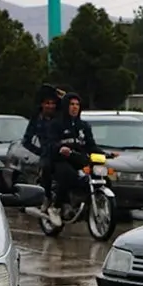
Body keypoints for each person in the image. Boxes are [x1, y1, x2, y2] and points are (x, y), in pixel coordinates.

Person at [46, 92, 106, 227]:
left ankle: (90, 203)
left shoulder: (84, 126)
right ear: (65, 106)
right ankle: (56, 207)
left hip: (79, 160)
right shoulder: (56, 124)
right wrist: (60, 148)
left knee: (101, 175)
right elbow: (50, 143)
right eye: (71, 104)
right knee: (68, 175)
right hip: (60, 160)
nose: (74, 107)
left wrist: (106, 154)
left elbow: (91, 145)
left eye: (77, 104)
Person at [21, 84, 61, 210]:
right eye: (47, 103)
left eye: (53, 103)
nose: (50, 106)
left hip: (62, 151)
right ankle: (47, 197)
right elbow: (26, 141)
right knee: (46, 167)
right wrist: (40, 151)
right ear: (42, 104)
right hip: (47, 154)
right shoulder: (36, 119)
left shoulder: (60, 117)